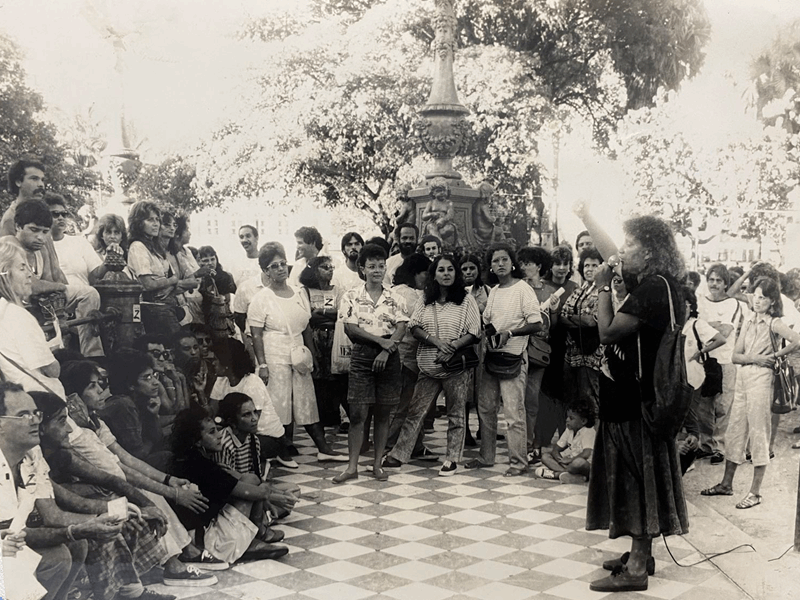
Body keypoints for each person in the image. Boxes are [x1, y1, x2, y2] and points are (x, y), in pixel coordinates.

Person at [574, 202, 689, 593]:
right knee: (638, 476)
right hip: (637, 399)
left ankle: (637, 567)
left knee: (636, 479)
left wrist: (603, 287)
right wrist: (588, 217)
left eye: (631, 244)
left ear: (650, 251)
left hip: (634, 402)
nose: (622, 252)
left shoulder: (654, 288)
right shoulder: (659, 283)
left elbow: (607, 331)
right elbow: (612, 255)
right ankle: (643, 554)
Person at [32, 390, 217, 590]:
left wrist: (138, 506)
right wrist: (117, 512)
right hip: (38, 527)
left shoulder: (68, 447)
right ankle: (145, 580)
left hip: (72, 510)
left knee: (132, 503)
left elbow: (112, 476)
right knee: (117, 511)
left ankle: (135, 585)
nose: (69, 428)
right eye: (62, 421)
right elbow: (61, 509)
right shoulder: (50, 451)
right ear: (41, 427)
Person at [59, 360, 227, 572]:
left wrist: (168, 480)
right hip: (99, 491)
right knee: (146, 493)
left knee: (153, 489)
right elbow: (119, 473)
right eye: (92, 386)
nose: (100, 390)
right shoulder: (78, 433)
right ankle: (172, 563)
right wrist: (173, 492)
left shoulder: (96, 422)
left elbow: (126, 459)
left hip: (113, 483)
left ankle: (187, 550)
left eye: (99, 384)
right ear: (74, 397)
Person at [701, 277, 800, 509]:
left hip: (762, 380)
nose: (757, 301)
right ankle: (726, 484)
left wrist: (774, 356)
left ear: (772, 301)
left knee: (758, 432)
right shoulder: (749, 321)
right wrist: (756, 358)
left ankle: (755, 492)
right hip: (744, 377)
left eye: (763, 297)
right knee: (735, 429)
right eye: (755, 296)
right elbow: (735, 356)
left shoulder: (774, 323)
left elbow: (797, 340)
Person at [384, 255, 481, 476]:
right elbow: (414, 326)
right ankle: (398, 454)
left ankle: (452, 459)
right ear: (434, 275)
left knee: (456, 414)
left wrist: (452, 347)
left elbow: (475, 331)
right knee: (415, 412)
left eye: (450, 269)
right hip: (428, 365)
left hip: (455, 367)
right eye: (441, 270)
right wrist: (437, 342)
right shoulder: (426, 299)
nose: (446, 274)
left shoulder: (466, 300)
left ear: (456, 273)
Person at [247, 242, 346, 461]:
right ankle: (282, 451)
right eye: (274, 266)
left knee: (306, 400)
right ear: (265, 271)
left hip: (298, 354)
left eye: (283, 264)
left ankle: (323, 449)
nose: (280, 269)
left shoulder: (299, 293)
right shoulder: (261, 298)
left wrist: (313, 355)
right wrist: (262, 365)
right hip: (274, 354)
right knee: (280, 403)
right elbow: (256, 335)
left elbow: (306, 327)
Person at [0, 382, 95, 600]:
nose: (35, 421)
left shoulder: (31, 454)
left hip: (6, 543)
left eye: (36, 413)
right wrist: (79, 529)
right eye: (23, 415)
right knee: (56, 557)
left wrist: (103, 518)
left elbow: (20, 529)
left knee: (72, 547)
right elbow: (11, 534)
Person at [170, 405, 289, 564]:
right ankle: (251, 541)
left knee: (251, 481)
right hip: (208, 542)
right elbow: (260, 493)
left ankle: (255, 535)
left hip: (195, 534)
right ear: (196, 441)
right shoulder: (203, 467)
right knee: (254, 484)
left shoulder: (187, 459)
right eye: (212, 432)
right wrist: (264, 487)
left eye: (217, 430)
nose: (219, 435)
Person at [465, 243, 542, 477]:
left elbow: (536, 323)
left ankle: (518, 462)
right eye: (495, 260)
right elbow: (489, 321)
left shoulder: (523, 288)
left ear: (512, 263)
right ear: (490, 266)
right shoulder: (495, 291)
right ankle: (486, 456)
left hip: (515, 358)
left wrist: (510, 333)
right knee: (486, 408)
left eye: (504, 259)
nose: (500, 264)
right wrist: (489, 333)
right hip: (491, 357)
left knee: (513, 412)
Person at [334, 244, 408, 483]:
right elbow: (351, 328)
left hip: (389, 356)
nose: (377, 270)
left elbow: (401, 328)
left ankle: (377, 465)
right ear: (362, 269)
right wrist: (380, 342)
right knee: (358, 413)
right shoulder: (351, 296)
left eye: (381, 266)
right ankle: (352, 467)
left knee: (383, 413)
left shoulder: (395, 298)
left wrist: (386, 350)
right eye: (372, 266)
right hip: (362, 355)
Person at [11, 199, 105, 357]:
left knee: (89, 293)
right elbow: (31, 286)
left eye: (44, 232)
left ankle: (93, 355)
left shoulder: (40, 249)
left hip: (37, 300)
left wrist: (58, 295)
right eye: (34, 230)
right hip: (13, 307)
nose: (40, 237)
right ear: (18, 226)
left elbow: (49, 280)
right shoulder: (9, 247)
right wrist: (59, 287)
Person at [210, 338, 296, 468]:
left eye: (215, 359)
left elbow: (252, 422)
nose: (212, 363)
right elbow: (212, 413)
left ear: (226, 362)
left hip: (267, 436)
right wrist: (200, 392)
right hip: (237, 430)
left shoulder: (252, 382)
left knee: (221, 443)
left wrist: (221, 423)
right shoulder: (221, 381)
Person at [0, 238, 66, 398]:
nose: (30, 274)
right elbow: (52, 370)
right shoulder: (18, 316)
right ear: (6, 275)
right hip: (43, 396)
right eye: (22, 268)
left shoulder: (4, 310)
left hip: (20, 395)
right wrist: (52, 354)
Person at [696, 264, 746, 463]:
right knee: (703, 406)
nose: (714, 284)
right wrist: (712, 326)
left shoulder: (733, 304)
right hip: (704, 360)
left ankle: (720, 447)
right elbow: (694, 327)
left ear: (726, 284)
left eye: (719, 280)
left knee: (723, 406)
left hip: (725, 360)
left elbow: (725, 332)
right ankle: (706, 445)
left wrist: (705, 326)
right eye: (711, 279)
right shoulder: (701, 302)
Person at [386, 253, 434, 457]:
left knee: (412, 404)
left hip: (409, 356)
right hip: (405, 357)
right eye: (425, 273)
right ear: (414, 273)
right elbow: (420, 322)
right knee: (404, 405)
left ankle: (414, 444)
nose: (427, 278)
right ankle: (390, 445)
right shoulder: (407, 294)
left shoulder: (403, 291)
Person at [127, 201, 195, 336]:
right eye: (150, 220)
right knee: (174, 342)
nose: (155, 224)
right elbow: (147, 284)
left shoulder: (155, 247)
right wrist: (171, 281)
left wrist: (170, 285)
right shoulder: (138, 247)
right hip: (152, 309)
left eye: (157, 219)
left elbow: (174, 276)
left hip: (168, 306)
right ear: (139, 223)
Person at [517, 246, 558, 463]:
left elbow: (553, 324)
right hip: (518, 347)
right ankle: (519, 443)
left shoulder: (550, 291)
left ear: (539, 266)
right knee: (517, 398)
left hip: (539, 350)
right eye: (522, 263)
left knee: (532, 398)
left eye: (529, 263)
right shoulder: (517, 288)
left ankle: (530, 442)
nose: (524, 267)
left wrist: (553, 311)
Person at [299, 255, 349, 428]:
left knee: (337, 376)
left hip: (335, 336)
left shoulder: (338, 290)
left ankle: (341, 416)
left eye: (331, 267)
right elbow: (307, 316)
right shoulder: (305, 291)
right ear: (314, 270)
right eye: (325, 267)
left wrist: (320, 312)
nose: (330, 270)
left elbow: (342, 313)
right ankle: (323, 418)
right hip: (314, 337)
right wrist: (327, 314)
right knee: (319, 376)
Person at [100, 350, 171, 469]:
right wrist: (151, 434)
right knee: (167, 456)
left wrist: (153, 415)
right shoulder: (123, 404)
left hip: (134, 462)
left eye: (154, 375)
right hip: (120, 467)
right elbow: (138, 455)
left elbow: (158, 439)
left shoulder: (139, 399)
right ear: (130, 385)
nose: (156, 383)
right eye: (147, 378)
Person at [559, 248, 604, 413]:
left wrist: (571, 317)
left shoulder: (603, 292)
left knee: (590, 401)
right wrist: (579, 319)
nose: (589, 269)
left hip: (592, 356)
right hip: (572, 353)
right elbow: (562, 317)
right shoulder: (579, 290)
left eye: (594, 265)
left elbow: (592, 321)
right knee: (571, 399)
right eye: (586, 265)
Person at [461, 253, 490, 447]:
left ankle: (484, 429)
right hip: (464, 344)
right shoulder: (457, 292)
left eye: (472, 268)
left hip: (483, 345)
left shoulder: (487, 290)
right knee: (465, 389)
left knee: (483, 388)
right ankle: (465, 432)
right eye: (464, 269)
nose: (468, 272)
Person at [45, 193, 104, 286]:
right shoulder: (39, 246)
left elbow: (96, 273)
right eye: (55, 214)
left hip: (83, 293)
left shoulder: (79, 242)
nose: (61, 218)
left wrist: (110, 259)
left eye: (64, 214)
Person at [534, 402, 596, 484]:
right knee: (545, 457)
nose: (567, 420)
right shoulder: (569, 430)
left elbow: (586, 454)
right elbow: (556, 449)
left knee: (578, 462)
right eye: (567, 417)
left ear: (583, 421)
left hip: (584, 464)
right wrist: (560, 460)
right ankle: (568, 474)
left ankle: (557, 474)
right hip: (568, 463)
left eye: (571, 418)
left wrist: (569, 460)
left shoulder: (588, 432)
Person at [196, 245, 237, 339]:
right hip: (203, 319)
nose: (210, 263)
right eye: (206, 260)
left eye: (212, 259)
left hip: (223, 320)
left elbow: (231, 299)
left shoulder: (226, 276)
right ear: (199, 262)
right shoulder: (198, 279)